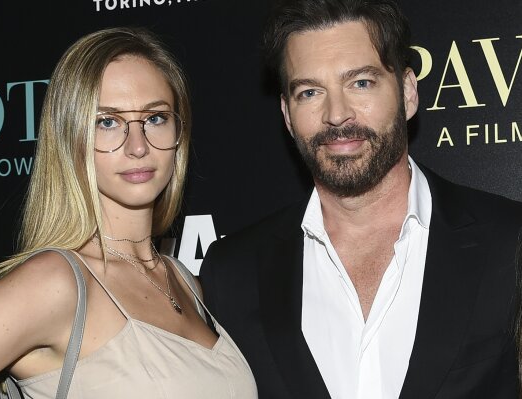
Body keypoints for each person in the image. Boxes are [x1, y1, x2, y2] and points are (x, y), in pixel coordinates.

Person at [199, 0, 522, 398]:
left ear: (407, 92)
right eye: (310, 92)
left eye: (361, 83)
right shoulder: (233, 274)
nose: (337, 114)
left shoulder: (510, 243)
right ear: (286, 113)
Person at [0, 27, 257, 399]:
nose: (138, 146)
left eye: (156, 118)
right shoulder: (54, 284)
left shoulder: (184, 282)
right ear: (70, 137)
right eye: (107, 121)